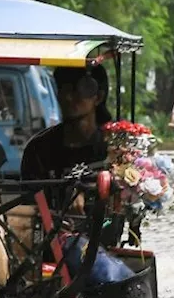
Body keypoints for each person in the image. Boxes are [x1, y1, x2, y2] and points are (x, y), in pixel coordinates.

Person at [20, 63, 112, 208]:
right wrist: (53, 220)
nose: (68, 97)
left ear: (98, 97)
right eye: (63, 89)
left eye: (79, 90)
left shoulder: (113, 148)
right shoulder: (39, 149)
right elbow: (34, 201)